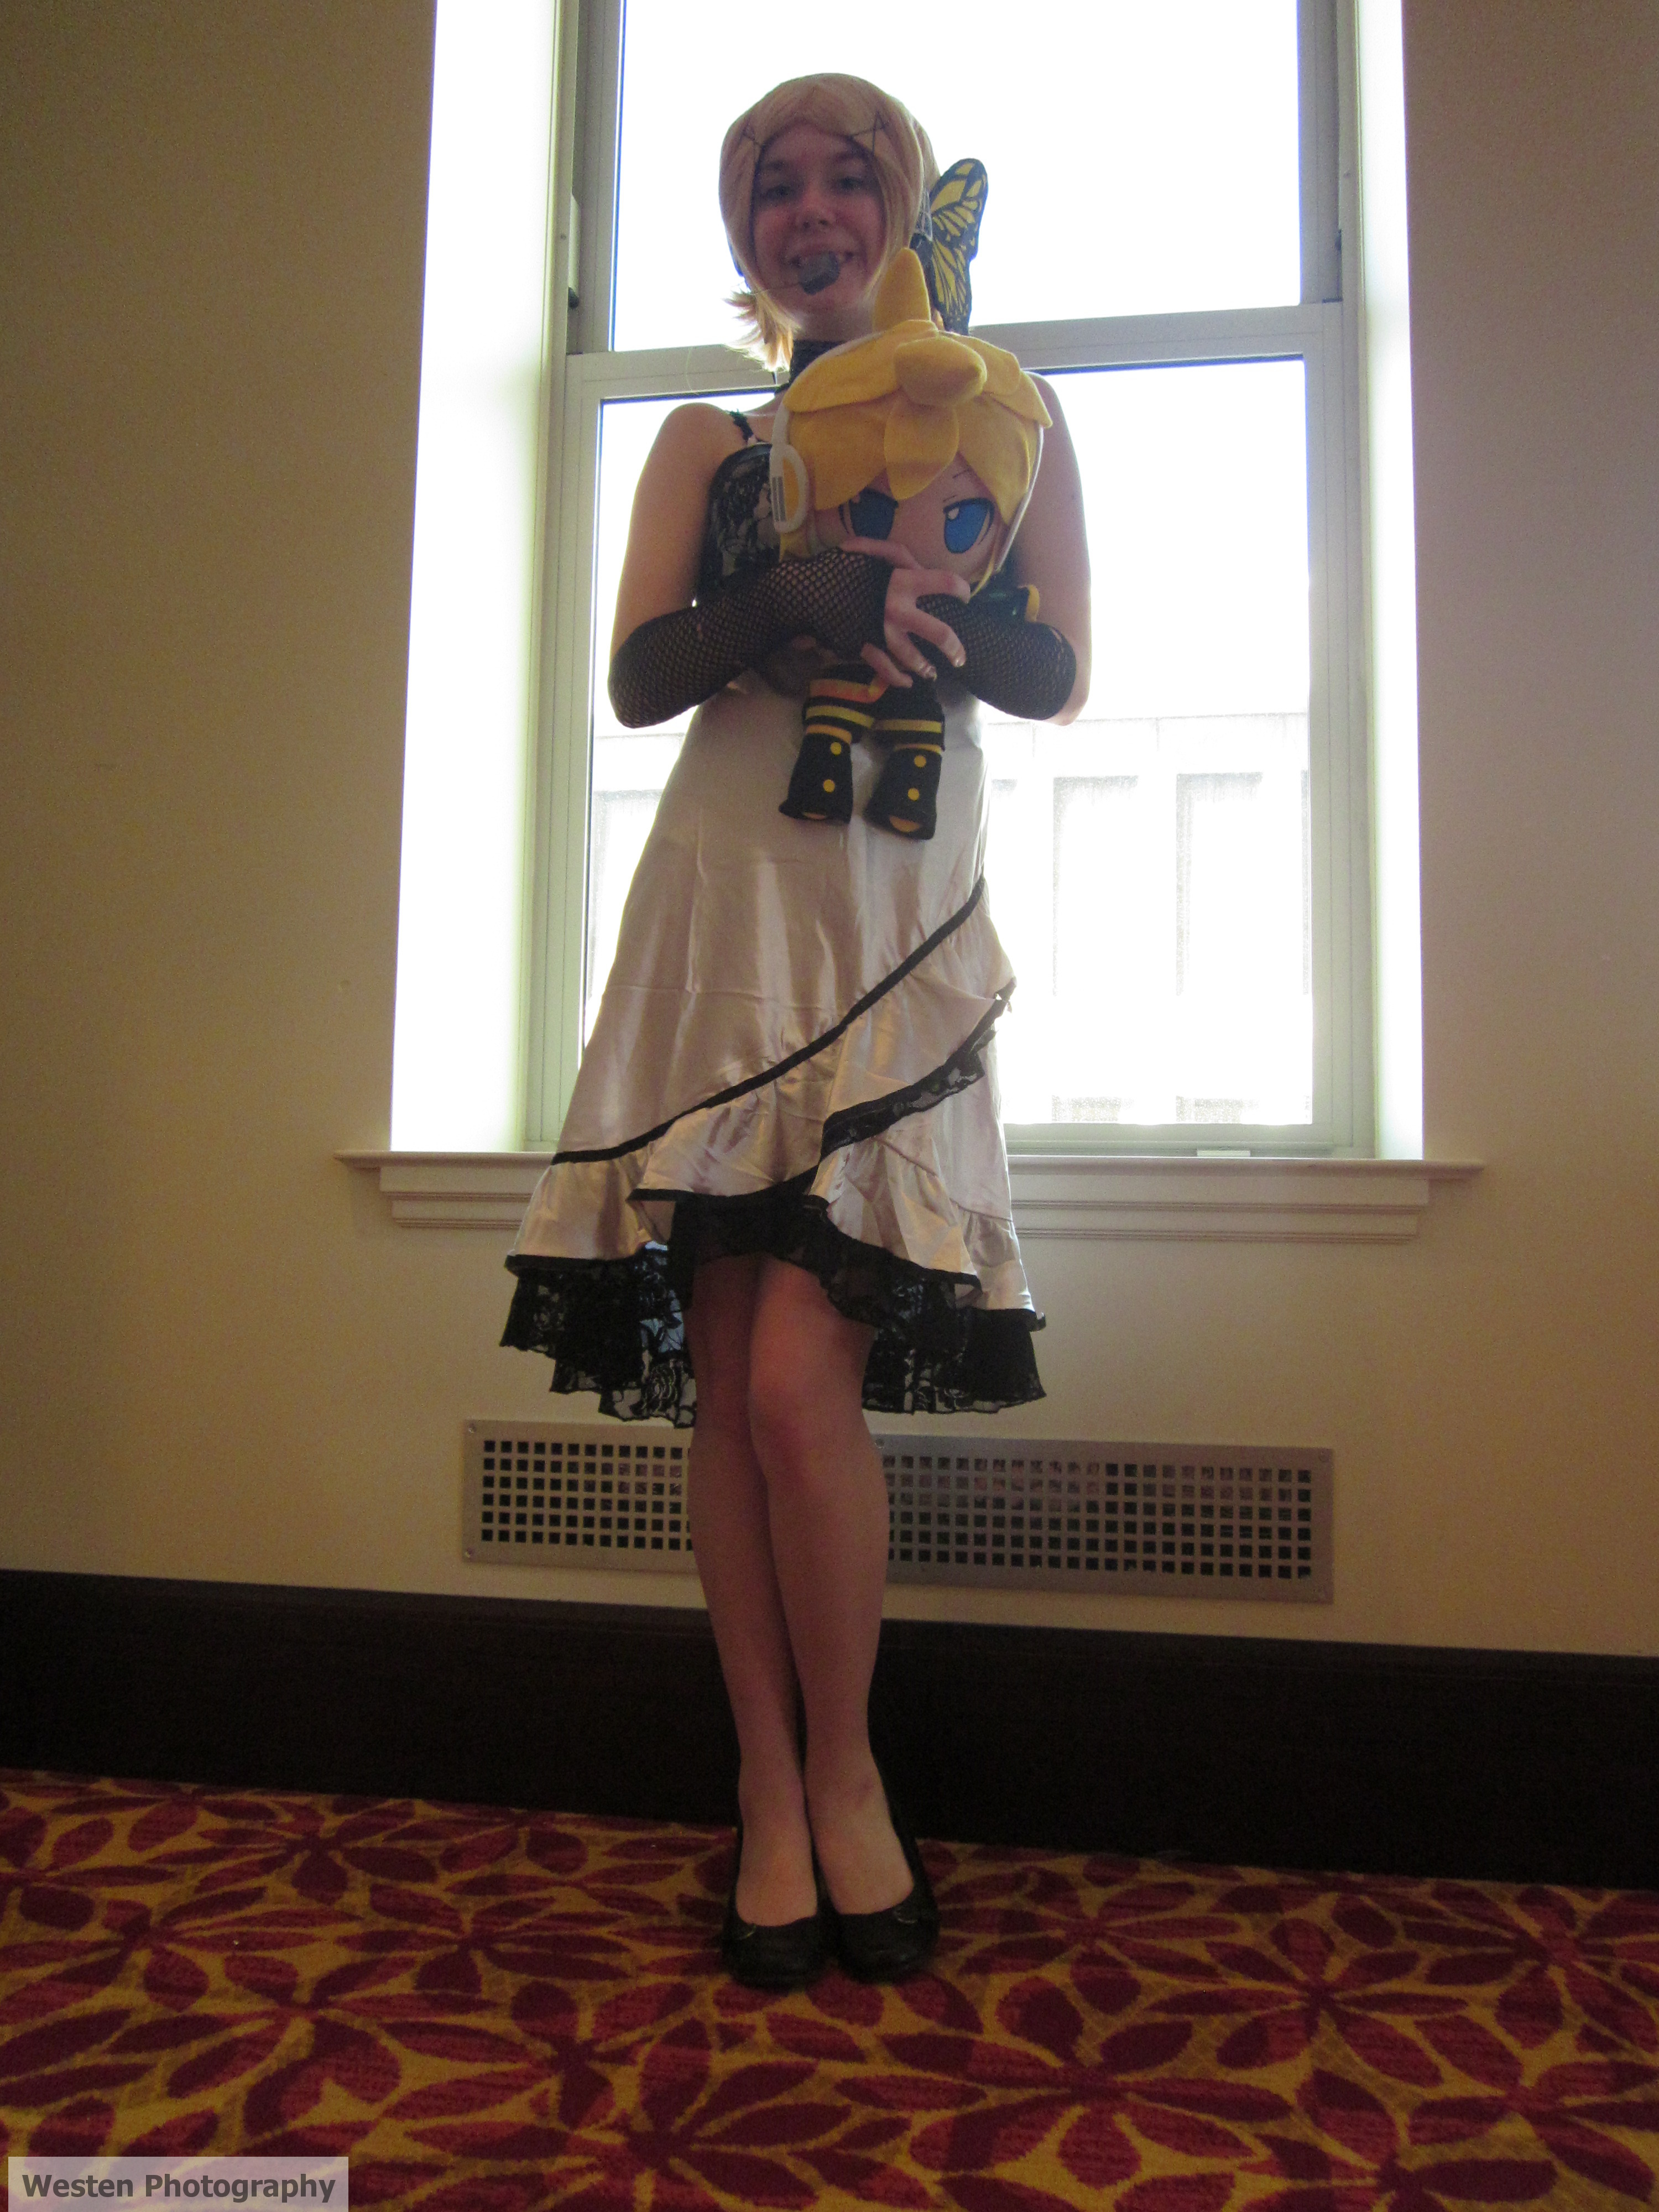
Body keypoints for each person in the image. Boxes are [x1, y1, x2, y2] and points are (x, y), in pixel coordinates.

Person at [502, 73, 1091, 1988]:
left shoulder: (1012, 416)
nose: (814, 211)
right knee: (734, 1403)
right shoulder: (708, 439)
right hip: (723, 929)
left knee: (784, 1395)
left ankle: (850, 1777)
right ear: (746, 233)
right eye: (777, 186)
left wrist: (922, 600)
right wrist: (794, 593)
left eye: (852, 179)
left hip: (892, 935)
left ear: (906, 210)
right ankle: (770, 1785)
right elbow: (639, 676)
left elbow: (1056, 671)